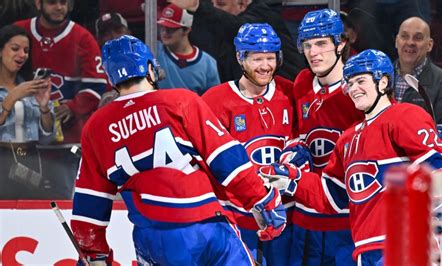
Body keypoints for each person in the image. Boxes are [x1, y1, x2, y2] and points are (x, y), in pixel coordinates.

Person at [70, 35, 286, 265]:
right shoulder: (179, 101)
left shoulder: (96, 126)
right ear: (150, 69)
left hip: (152, 237)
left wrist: (93, 254)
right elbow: (226, 159)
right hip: (205, 226)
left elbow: (90, 199)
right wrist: (262, 199)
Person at [260, 49, 442, 265]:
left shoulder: (404, 116)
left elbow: (436, 166)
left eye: (361, 81)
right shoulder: (347, 139)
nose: (353, 89)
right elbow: (331, 197)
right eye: (350, 83)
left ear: (383, 83)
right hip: (365, 248)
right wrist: (291, 180)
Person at [202, 23, 294, 265]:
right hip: (237, 217)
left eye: (270, 58)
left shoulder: (289, 94)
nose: (265, 66)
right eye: (257, 59)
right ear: (240, 58)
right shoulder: (214, 101)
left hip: (284, 214)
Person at [286, 9, 364, 266]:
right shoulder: (302, 82)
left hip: (346, 217)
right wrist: (296, 147)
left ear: (340, 44)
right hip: (307, 214)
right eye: (307, 45)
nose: (313, 52)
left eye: (321, 43)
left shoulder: (360, 87)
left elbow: (388, 130)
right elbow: (299, 133)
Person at [15, 0, 108, 199]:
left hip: (66, 143)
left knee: (64, 201)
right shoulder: (19, 32)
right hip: (23, 143)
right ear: (38, 3)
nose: (59, 7)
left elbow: (97, 85)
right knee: (21, 201)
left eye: (63, 2)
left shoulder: (83, 38)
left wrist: (74, 107)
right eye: (52, 2)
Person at [168, 0, 305, 82]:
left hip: (290, 95)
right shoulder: (224, 28)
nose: (215, 7)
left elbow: (239, 27)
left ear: (242, 3)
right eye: (212, 3)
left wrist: (198, 7)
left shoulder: (263, 17)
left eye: (221, 4)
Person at [0, 24, 55, 199]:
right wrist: (11, 98)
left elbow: (47, 137)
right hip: (3, 159)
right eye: (15, 49)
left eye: (26, 50)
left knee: (32, 216)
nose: (22, 55)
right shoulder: (21, 90)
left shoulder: (30, 87)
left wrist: (44, 106)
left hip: (31, 159)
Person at [394, 16, 442, 136]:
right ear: (396, 41)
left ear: (429, 45)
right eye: (404, 36)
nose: (410, 42)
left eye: (418, 38)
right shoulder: (376, 79)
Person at [156, 3, 220, 95]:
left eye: (171, 29)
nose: (164, 32)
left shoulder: (208, 63)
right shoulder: (154, 51)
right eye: (162, 27)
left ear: (186, 30)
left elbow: (213, 99)